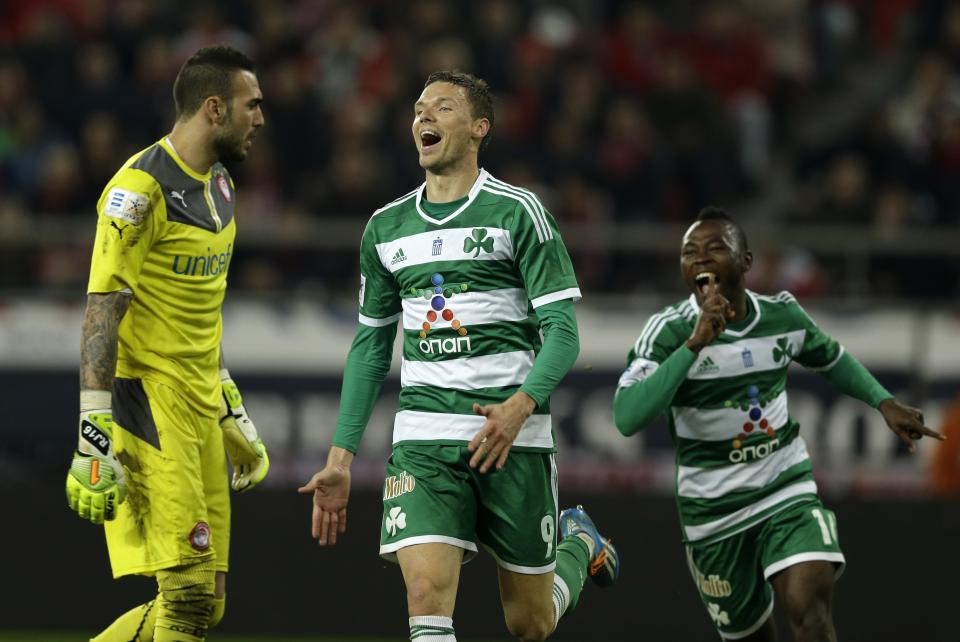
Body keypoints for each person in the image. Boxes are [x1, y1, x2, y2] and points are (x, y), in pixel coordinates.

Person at [298, 71, 620, 642]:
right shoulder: (386, 228)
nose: (424, 116)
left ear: (478, 128)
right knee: (425, 597)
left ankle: (580, 546)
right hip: (424, 439)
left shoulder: (518, 212)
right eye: (419, 108)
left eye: (442, 108)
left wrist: (520, 407)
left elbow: (563, 333)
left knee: (531, 623)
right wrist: (341, 460)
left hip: (512, 438)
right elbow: (371, 347)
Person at [613, 206, 944, 642]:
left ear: (746, 262)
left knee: (811, 612)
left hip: (783, 487)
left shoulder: (782, 316)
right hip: (712, 512)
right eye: (689, 252)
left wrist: (883, 402)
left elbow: (831, 358)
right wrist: (694, 346)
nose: (701, 259)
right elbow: (627, 417)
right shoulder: (667, 332)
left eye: (715, 248)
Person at [65, 45, 270, 642]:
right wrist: (92, 433)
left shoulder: (222, 186)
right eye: (250, 105)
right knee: (183, 597)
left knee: (210, 604)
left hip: (201, 403)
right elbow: (102, 310)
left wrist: (229, 405)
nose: (259, 118)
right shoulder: (138, 191)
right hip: (147, 404)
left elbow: (200, 312)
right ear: (214, 108)